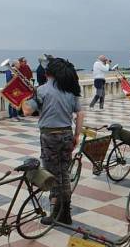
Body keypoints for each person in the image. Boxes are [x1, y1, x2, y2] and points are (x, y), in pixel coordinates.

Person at [22, 58, 85, 225]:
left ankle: (56, 213)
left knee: (52, 175)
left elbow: (27, 110)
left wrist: (23, 98)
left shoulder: (42, 90)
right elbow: (80, 114)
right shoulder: (70, 91)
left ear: (48, 73)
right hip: (66, 134)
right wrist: (77, 135)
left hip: (49, 136)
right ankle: (66, 212)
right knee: (64, 173)